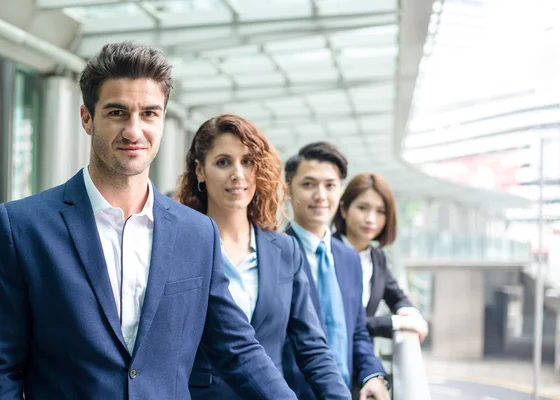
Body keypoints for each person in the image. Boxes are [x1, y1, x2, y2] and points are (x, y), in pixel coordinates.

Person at [0, 41, 298, 399]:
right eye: (117, 112)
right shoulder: (24, 227)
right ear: (87, 118)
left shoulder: (196, 232)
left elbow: (237, 348)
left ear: (163, 119)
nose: (134, 131)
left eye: (149, 114)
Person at [177, 114, 351, 400]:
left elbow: (311, 345)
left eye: (247, 161)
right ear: (200, 170)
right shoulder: (181, 247)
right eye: (223, 162)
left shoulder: (285, 251)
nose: (238, 174)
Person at [283, 142, 390, 400]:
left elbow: (357, 330)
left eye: (330, 185)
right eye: (308, 184)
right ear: (287, 190)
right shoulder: (274, 253)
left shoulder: (349, 258)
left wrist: (372, 374)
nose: (321, 195)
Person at [333, 173, 429, 342]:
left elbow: (397, 297)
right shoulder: (326, 253)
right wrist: (395, 323)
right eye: (363, 208)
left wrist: (410, 314)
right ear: (344, 209)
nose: (371, 219)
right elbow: (338, 320)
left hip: (361, 361)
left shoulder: (377, 258)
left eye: (380, 211)